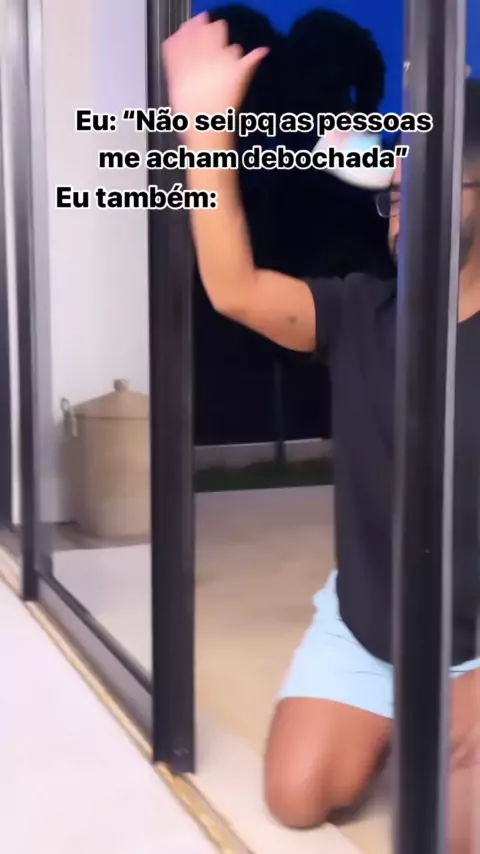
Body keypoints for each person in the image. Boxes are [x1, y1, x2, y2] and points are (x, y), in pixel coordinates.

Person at [163, 14, 480, 852]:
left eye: (430, 185)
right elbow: (233, 288)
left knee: (455, 834)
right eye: (395, 195)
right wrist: (204, 130)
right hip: (370, 627)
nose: (401, 208)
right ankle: (396, 704)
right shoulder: (357, 312)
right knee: (297, 797)